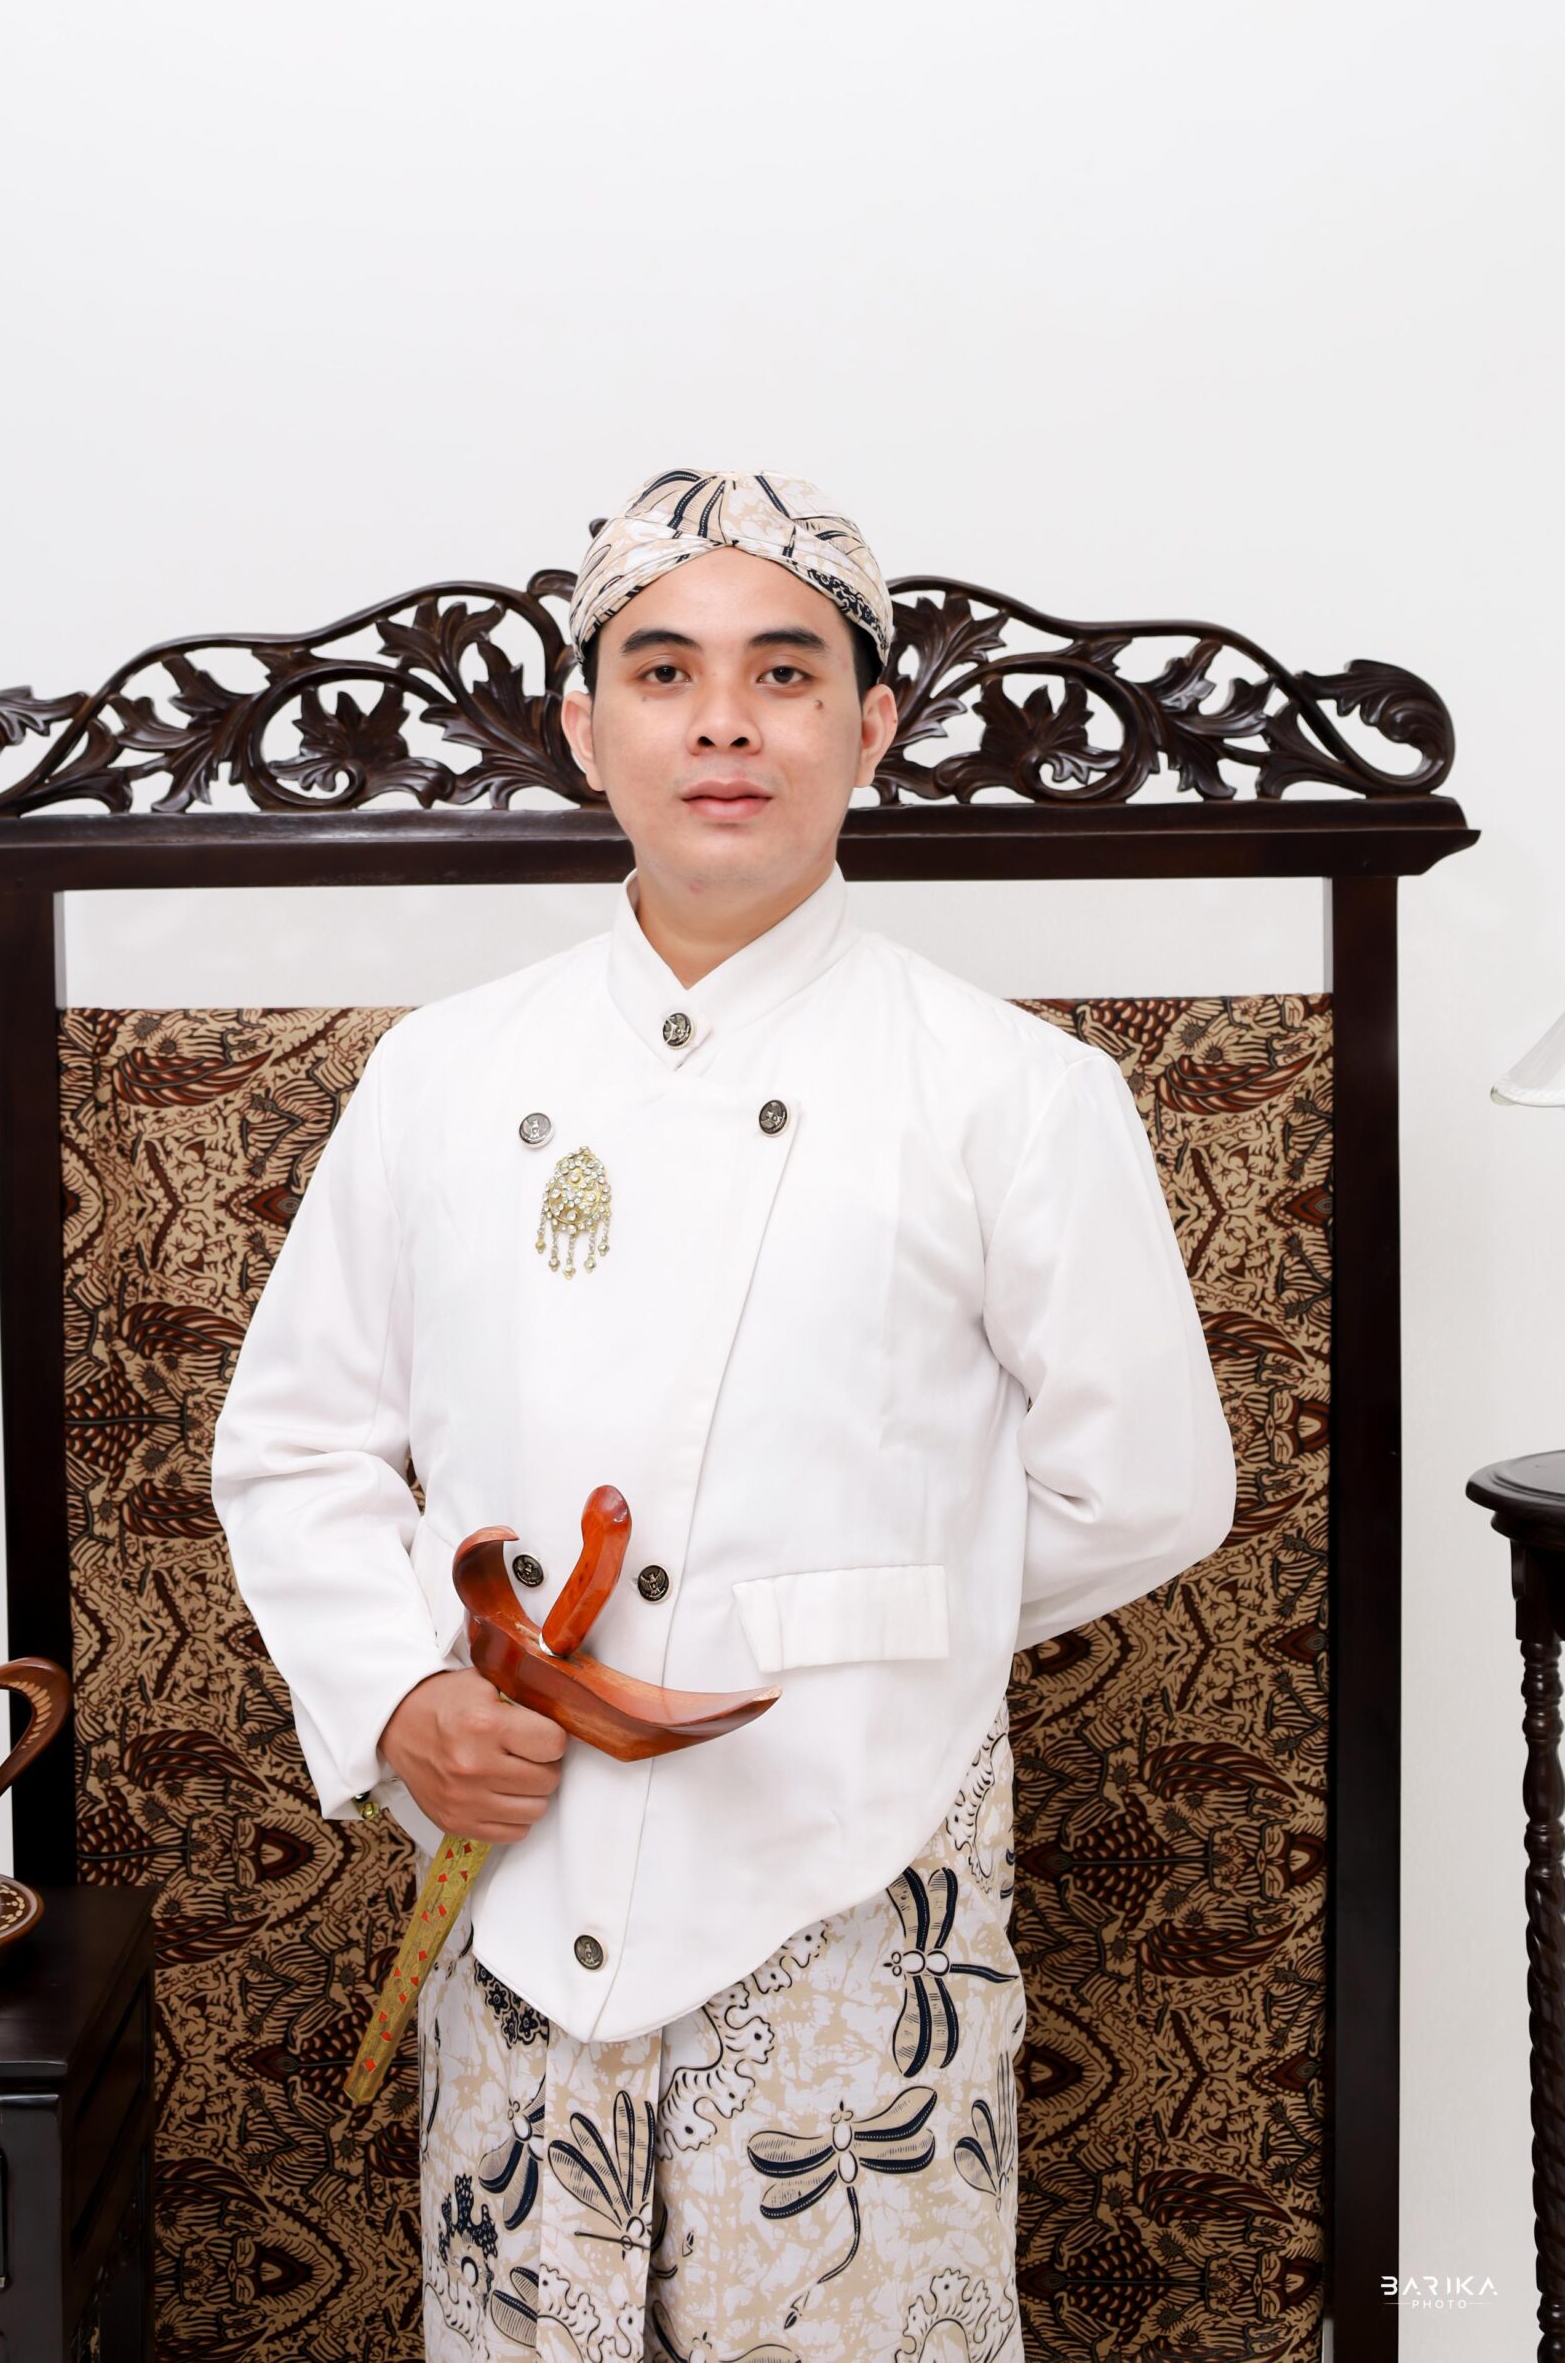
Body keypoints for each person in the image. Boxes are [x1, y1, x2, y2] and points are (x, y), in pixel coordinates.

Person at [209, 466, 1238, 2361]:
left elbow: (1147, 1484)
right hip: (519, 1874)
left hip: (858, 1880)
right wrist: (404, 1697)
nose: (723, 722)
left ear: (873, 725)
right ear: (583, 726)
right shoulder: (441, 1076)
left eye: (784, 671)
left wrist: (852, 1623)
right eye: (664, 671)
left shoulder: (1012, 1091)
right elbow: (294, 1441)